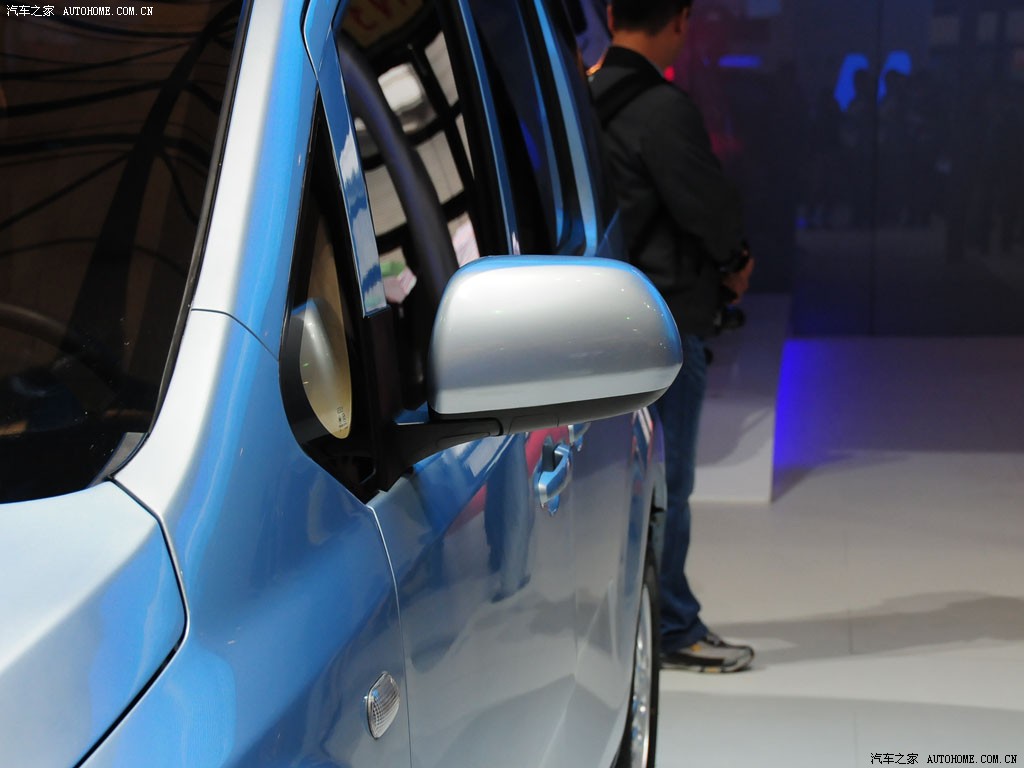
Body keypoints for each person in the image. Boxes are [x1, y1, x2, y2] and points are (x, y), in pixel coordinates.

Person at [590, 0, 755, 673]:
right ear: (682, 20)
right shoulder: (664, 108)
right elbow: (707, 207)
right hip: (664, 319)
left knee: (609, 484)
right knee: (668, 480)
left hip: (596, 316)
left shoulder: (578, 99)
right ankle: (672, 627)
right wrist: (736, 261)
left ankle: (625, 623)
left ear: (609, 13)